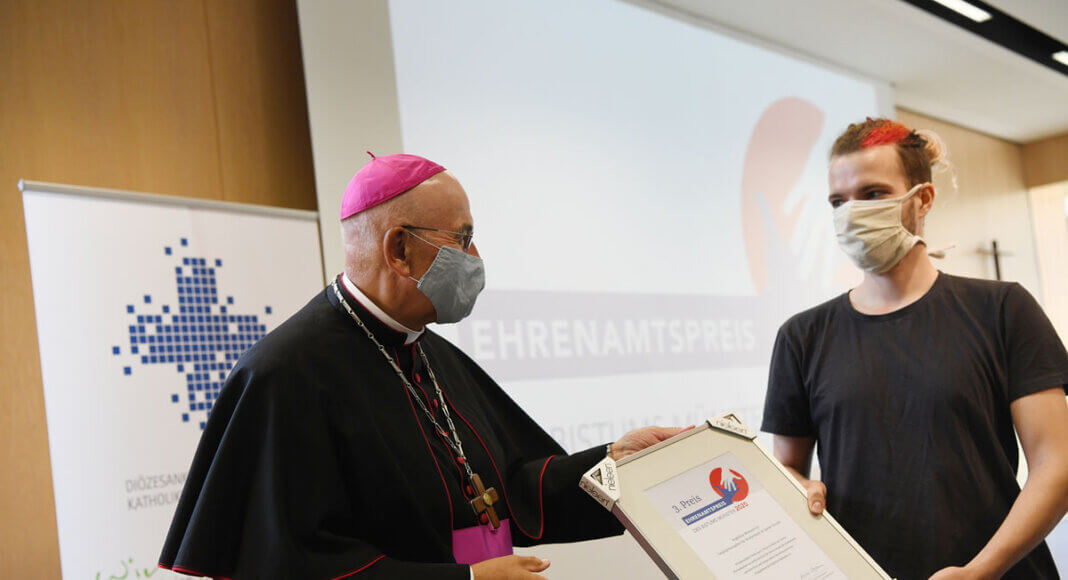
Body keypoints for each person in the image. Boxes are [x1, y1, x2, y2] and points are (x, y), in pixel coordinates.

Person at [160, 153, 685, 579]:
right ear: (399, 250)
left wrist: (616, 462)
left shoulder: (429, 352)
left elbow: (510, 487)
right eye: (461, 238)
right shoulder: (287, 374)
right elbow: (293, 564)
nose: (475, 255)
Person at [762, 118, 1068, 579]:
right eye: (837, 201)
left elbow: (1057, 464)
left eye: (872, 194)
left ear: (922, 198)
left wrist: (982, 570)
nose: (851, 213)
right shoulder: (801, 337)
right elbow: (787, 472)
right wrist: (801, 490)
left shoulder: (1002, 310)